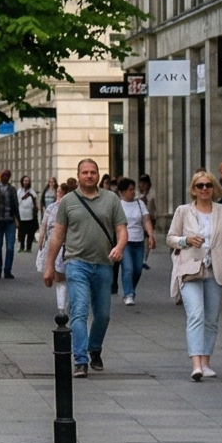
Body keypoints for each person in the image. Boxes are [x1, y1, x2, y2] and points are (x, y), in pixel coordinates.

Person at [42, 158, 130, 378]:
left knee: (103, 315)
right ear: (78, 175)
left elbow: (121, 230)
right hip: (76, 262)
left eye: (93, 172)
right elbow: (57, 235)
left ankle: (95, 348)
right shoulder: (68, 201)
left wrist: (119, 247)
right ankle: (80, 360)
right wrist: (49, 266)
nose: (89, 176)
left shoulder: (111, 199)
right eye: (85, 172)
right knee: (79, 312)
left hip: (103, 263)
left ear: (98, 175)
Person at [166, 171, 222, 380]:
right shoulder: (183, 211)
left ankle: (206, 362)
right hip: (189, 269)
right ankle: (196, 364)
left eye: (208, 185)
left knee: (211, 319)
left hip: (215, 269)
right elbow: (170, 238)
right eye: (200, 186)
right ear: (193, 189)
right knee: (196, 314)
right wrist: (186, 240)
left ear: (214, 187)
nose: (204, 189)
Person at [118, 176, 152, 304]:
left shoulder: (140, 203)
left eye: (133, 189)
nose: (133, 192)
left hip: (138, 240)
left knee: (137, 269)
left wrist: (151, 235)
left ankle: (131, 289)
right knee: (128, 268)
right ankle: (128, 294)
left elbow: (146, 220)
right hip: (124, 241)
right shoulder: (119, 205)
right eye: (130, 190)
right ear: (123, 192)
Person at [16, 175, 40, 254]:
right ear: (22, 182)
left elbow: (35, 202)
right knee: (22, 232)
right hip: (21, 215)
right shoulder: (19, 191)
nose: (26, 182)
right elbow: (17, 202)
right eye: (25, 181)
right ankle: (22, 247)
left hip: (30, 215)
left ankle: (29, 247)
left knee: (30, 232)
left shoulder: (32, 192)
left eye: (27, 181)